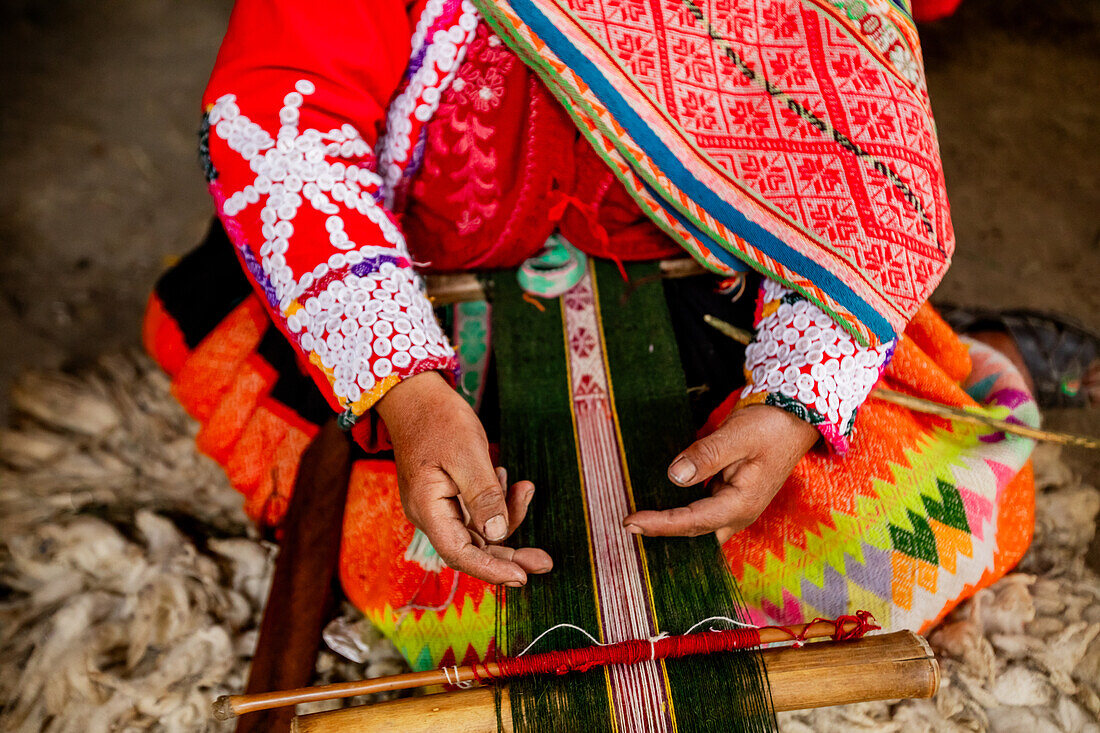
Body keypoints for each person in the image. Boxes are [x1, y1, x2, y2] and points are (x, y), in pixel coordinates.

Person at [144, 0, 1093, 670]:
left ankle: (975, 345)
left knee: (904, 538)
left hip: (711, 271)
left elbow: (856, 119)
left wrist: (795, 394)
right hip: (416, 282)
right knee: (447, 588)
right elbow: (280, 113)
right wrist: (406, 390)